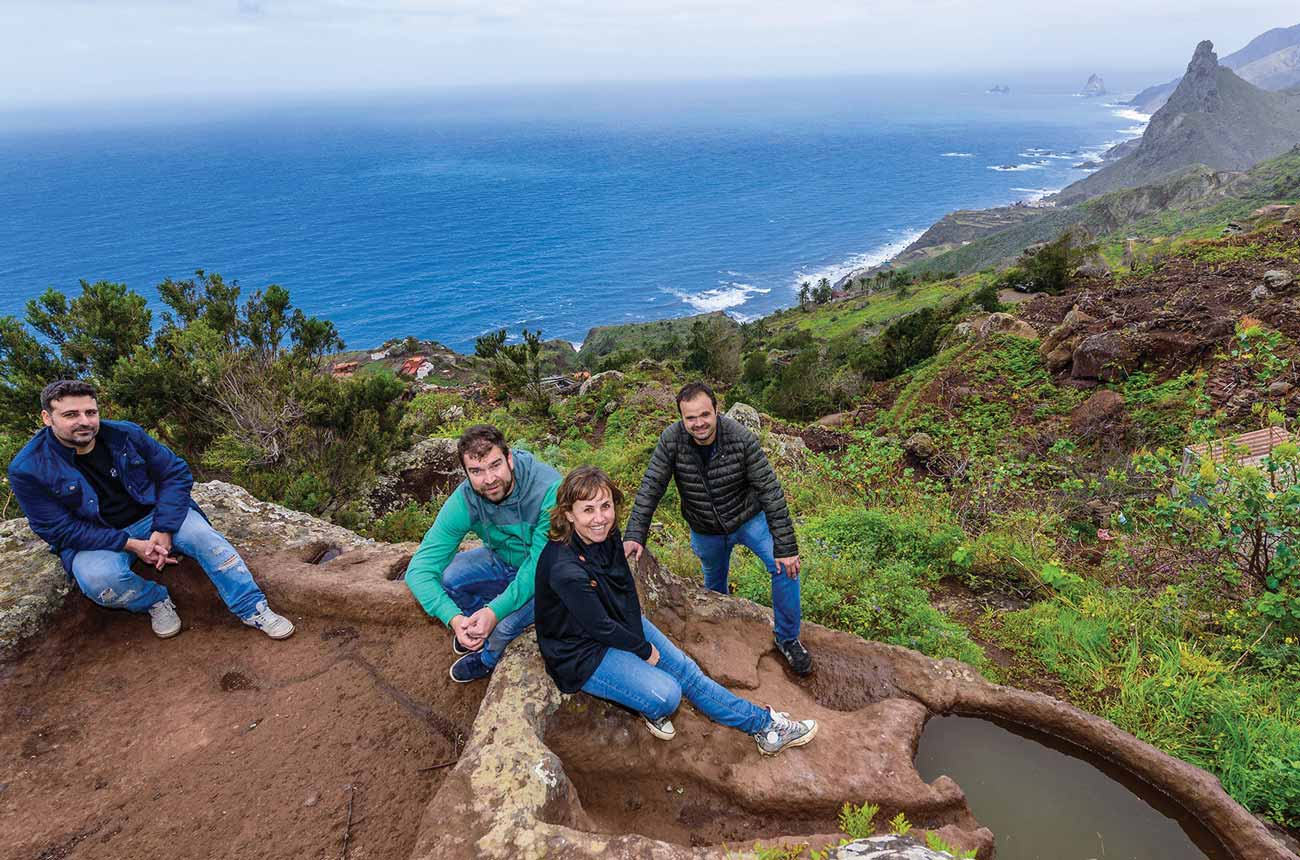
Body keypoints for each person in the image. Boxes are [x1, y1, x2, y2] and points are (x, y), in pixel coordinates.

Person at [535, 465, 818, 754]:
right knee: (668, 695)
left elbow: (625, 590)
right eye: (588, 510)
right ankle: (646, 701)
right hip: (580, 654)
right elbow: (599, 627)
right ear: (568, 514)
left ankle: (764, 726)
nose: (599, 518)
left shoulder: (605, 534)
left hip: (616, 622)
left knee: (687, 672)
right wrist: (644, 650)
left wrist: (636, 636)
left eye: (605, 506)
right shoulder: (564, 568)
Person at [7, 379, 294, 639]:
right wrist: (130, 544)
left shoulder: (125, 434)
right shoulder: (28, 468)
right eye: (71, 415)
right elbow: (56, 529)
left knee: (207, 540)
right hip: (97, 537)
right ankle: (155, 601)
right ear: (47, 418)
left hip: (154, 515)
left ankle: (252, 608)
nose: (84, 421)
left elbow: (175, 473)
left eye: (90, 412)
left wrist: (164, 527)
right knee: (99, 581)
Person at [623, 381, 812, 675]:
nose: (699, 423)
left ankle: (787, 638)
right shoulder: (671, 440)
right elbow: (651, 486)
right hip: (705, 529)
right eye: (691, 418)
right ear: (681, 418)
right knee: (714, 586)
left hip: (748, 519)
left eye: (704, 415)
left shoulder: (740, 438)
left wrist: (786, 548)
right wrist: (635, 534)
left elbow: (770, 491)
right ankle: (723, 633)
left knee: (785, 568)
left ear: (716, 411)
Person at [405, 424, 561, 683]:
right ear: (466, 473)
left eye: (495, 465)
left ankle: (488, 657)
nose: (489, 479)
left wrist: (495, 612)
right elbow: (419, 570)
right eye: (476, 471)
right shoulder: (466, 499)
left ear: (509, 458)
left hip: (548, 575)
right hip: (502, 561)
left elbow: (539, 566)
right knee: (449, 578)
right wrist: (455, 619)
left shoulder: (548, 488)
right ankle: (476, 628)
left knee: (503, 626)